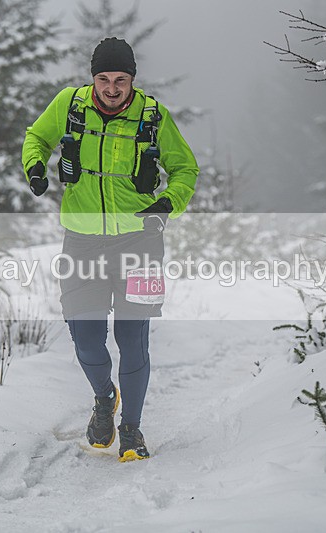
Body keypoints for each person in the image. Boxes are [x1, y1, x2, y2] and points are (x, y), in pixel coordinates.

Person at [21, 37, 199, 462]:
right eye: (104, 79)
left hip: (140, 241)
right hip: (82, 242)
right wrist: (35, 169)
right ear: (93, 79)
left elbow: (185, 169)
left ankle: (132, 430)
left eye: (121, 80)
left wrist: (166, 204)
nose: (113, 88)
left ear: (133, 80)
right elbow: (36, 138)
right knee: (85, 338)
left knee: (132, 339)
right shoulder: (70, 104)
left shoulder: (153, 116)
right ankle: (105, 398)